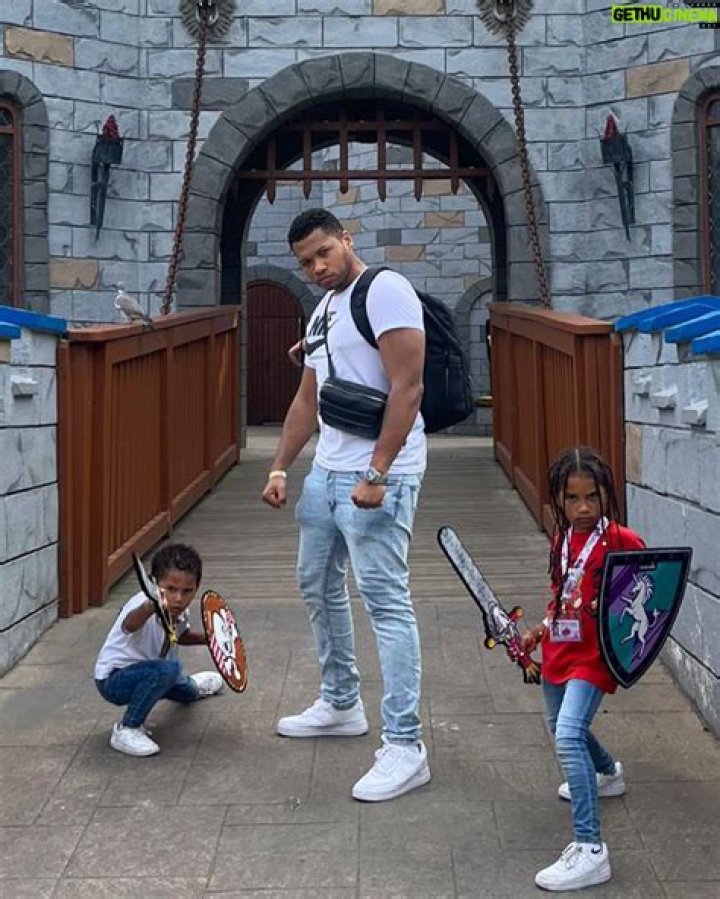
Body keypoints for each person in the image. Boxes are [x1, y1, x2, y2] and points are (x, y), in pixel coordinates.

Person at [262, 208, 430, 803]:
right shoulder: (323, 309)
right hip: (326, 472)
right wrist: (280, 466)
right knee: (317, 583)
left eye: (323, 253)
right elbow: (306, 400)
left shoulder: (385, 290)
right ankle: (340, 703)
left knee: (386, 603)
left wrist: (377, 472)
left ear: (345, 240)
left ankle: (406, 746)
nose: (316, 268)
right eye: (305, 262)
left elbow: (408, 386)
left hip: (380, 475)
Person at [520, 447, 645, 891]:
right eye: (572, 498)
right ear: (559, 499)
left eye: (592, 496)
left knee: (568, 735)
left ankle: (590, 848)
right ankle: (608, 773)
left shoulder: (621, 540)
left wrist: (620, 622)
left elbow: (650, 583)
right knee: (560, 724)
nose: (584, 507)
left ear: (605, 494)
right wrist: (540, 629)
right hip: (562, 646)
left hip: (596, 655)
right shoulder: (562, 539)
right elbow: (560, 594)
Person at [94, 543, 223, 757]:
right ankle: (127, 729)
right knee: (167, 669)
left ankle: (193, 686)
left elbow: (181, 636)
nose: (179, 598)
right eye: (171, 589)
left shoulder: (179, 610)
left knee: (184, 686)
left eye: (187, 591)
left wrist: (211, 640)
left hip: (155, 672)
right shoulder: (142, 604)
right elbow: (129, 625)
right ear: (155, 583)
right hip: (114, 680)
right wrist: (150, 607)